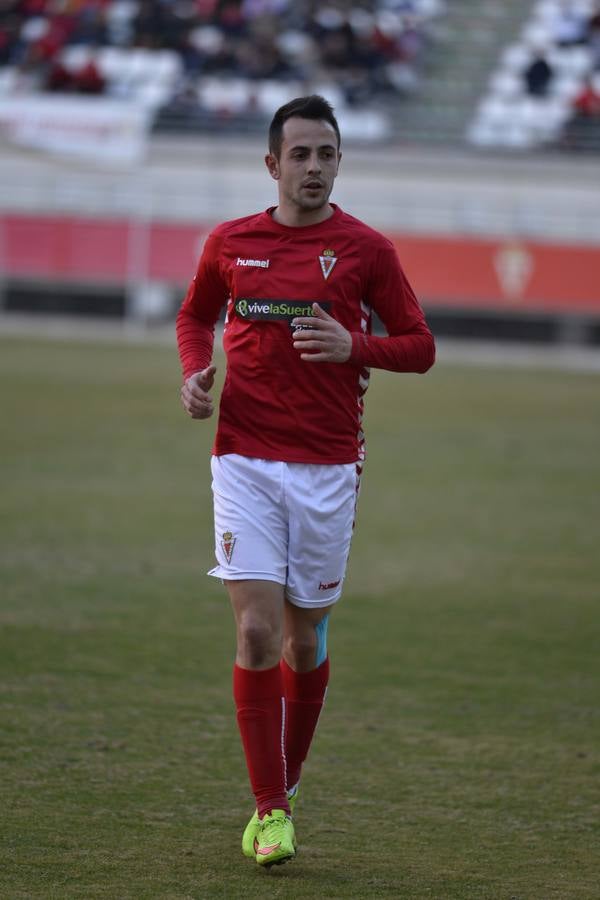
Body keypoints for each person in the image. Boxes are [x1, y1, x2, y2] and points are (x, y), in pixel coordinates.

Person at [176, 94, 435, 869]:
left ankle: (282, 786)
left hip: (327, 467)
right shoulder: (231, 241)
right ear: (272, 164)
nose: (315, 167)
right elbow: (196, 317)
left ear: (338, 163)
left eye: (327, 154)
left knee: (304, 634)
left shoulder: (367, 250)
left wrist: (355, 345)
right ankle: (273, 810)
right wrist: (197, 375)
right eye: (301, 155)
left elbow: (419, 347)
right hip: (244, 459)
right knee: (255, 631)